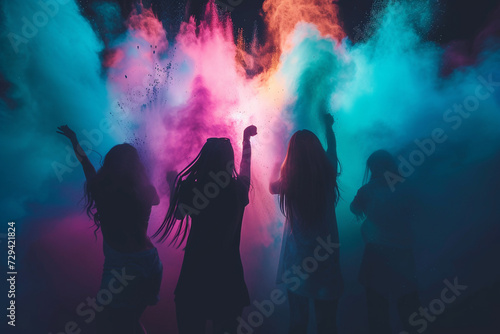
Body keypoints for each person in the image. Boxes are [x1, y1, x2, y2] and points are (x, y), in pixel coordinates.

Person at [57, 125, 162, 334]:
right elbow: (157, 199)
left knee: (110, 323)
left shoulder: (102, 190)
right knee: (131, 321)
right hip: (151, 262)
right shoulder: (146, 191)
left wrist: (74, 140)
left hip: (122, 267)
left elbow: (86, 165)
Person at [154, 126, 257, 334]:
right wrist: (246, 141)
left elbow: (179, 214)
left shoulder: (192, 189)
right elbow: (245, 169)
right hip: (228, 276)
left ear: (205, 159)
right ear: (228, 160)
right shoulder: (237, 190)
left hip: (195, 275)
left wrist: (172, 184)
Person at [270, 114, 343, 334]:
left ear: (292, 155)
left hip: (298, 261)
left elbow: (272, 187)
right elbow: (332, 149)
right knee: (327, 323)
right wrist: (329, 127)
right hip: (326, 258)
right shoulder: (328, 173)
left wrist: (275, 166)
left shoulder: (289, 182)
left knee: (298, 323)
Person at [350, 149, 420, 334]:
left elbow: (354, 208)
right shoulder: (405, 185)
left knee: (377, 308)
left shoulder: (368, 189)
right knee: (408, 304)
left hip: (376, 252)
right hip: (402, 251)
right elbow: (416, 211)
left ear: (373, 167)